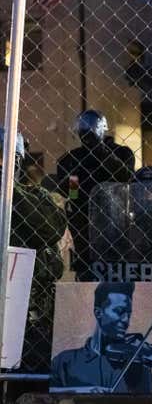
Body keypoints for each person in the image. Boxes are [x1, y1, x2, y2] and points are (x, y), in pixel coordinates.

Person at [0, 129, 67, 374]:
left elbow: (50, 230)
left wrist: (8, 190)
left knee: (31, 378)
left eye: (5, 160)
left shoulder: (34, 196)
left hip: (30, 312)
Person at [50, 282, 152, 393]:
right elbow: (49, 396)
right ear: (98, 312)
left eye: (128, 313)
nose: (126, 320)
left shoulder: (136, 364)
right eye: (119, 312)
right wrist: (82, 391)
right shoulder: (64, 361)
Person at [56, 110, 134, 280]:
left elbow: (125, 177)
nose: (87, 138)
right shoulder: (72, 158)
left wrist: (101, 153)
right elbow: (72, 193)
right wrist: (76, 173)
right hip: (83, 224)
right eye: (83, 134)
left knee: (116, 267)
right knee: (86, 271)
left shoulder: (121, 153)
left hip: (115, 219)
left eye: (90, 133)